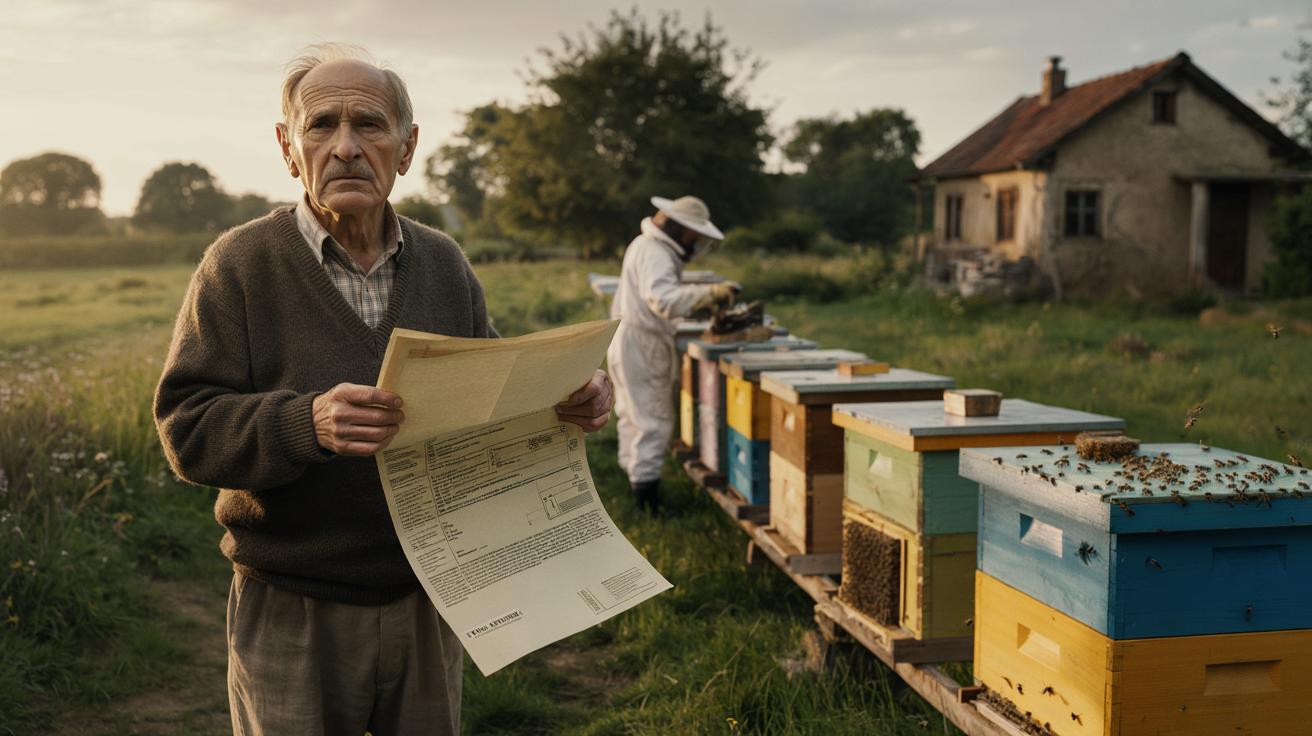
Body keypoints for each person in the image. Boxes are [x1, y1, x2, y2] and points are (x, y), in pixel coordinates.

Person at [152, 43, 613, 736]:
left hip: (429, 597)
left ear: (406, 147)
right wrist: (305, 422)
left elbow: (490, 392)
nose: (344, 147)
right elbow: (187, 429)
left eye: (368, 124)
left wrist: (569, 399)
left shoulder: (442, 262)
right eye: (320, 125)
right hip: (292, 604)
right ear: (287, 148)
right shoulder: (239, 265)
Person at [607, 195, 736, 512]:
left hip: (625, 337)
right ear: (680, 229)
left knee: (632, 414)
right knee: (653, 420)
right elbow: (662, 299)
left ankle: (634, 476)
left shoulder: (644, 244)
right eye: (695, 236)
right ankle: (647, 502)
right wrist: (710, 294)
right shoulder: (656, 252)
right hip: (644, 343)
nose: (695, 243)